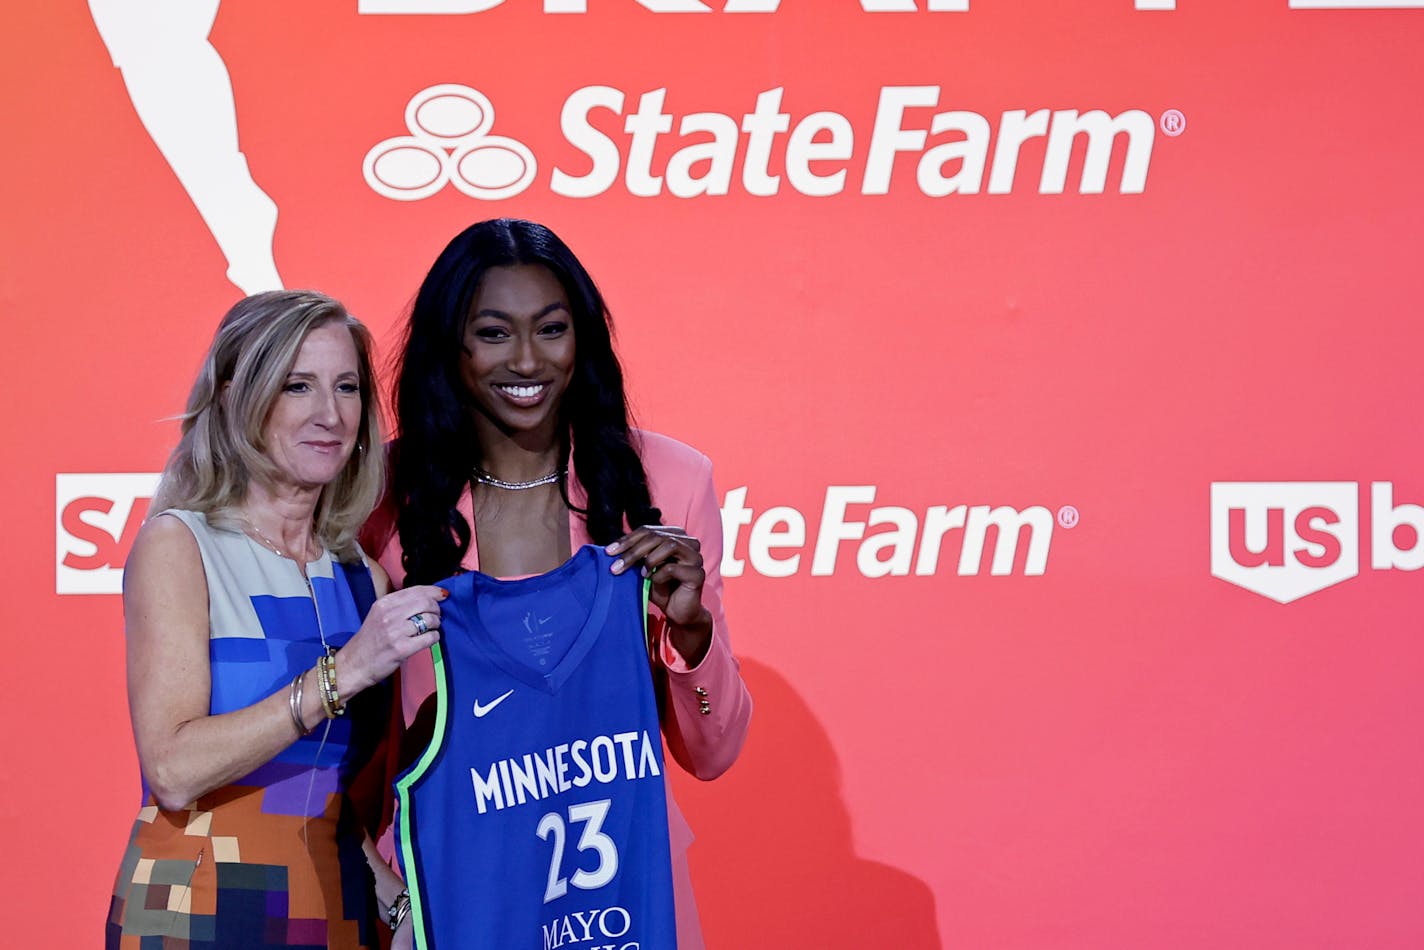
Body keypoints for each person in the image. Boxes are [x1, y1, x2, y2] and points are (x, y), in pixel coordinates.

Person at [362, 218, 752, 949]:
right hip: (443, 902)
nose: (527, 359)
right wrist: (389, 901)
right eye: (493, 333)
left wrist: (691, 638)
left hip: (621, 905)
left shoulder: (668, 482)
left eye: (551, 329)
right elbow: (350, 756)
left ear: (584, 340)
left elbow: (714, 751)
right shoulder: (381, 501)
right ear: (451, 344)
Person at [106, 290, 445, 949]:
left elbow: (325, 791)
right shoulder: (182, 547)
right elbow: (174, 767)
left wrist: (400, 907)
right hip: (194, 910)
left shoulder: (358, 576)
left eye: (347, 387)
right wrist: (339, 676)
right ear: (235, 399)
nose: (330, 414)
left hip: (332, 909)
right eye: (298, 386)